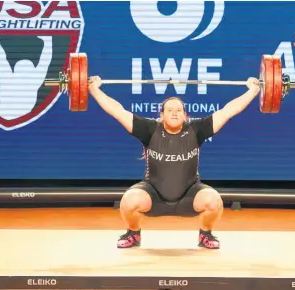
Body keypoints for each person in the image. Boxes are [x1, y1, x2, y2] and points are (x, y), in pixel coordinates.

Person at [88, 76, 261, 249]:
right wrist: (94, 89)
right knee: (129, 201)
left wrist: (253, 90)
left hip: (189, 195)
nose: (175, 113)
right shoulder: (149, 129)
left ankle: (205, 234)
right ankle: (133, 233)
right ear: (162, 115)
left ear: (185, 115)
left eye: (179, 110)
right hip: (153, 195)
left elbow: (228, 110)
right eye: (170, 110)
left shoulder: (196, 130)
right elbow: (117, 111)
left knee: (214, 201)